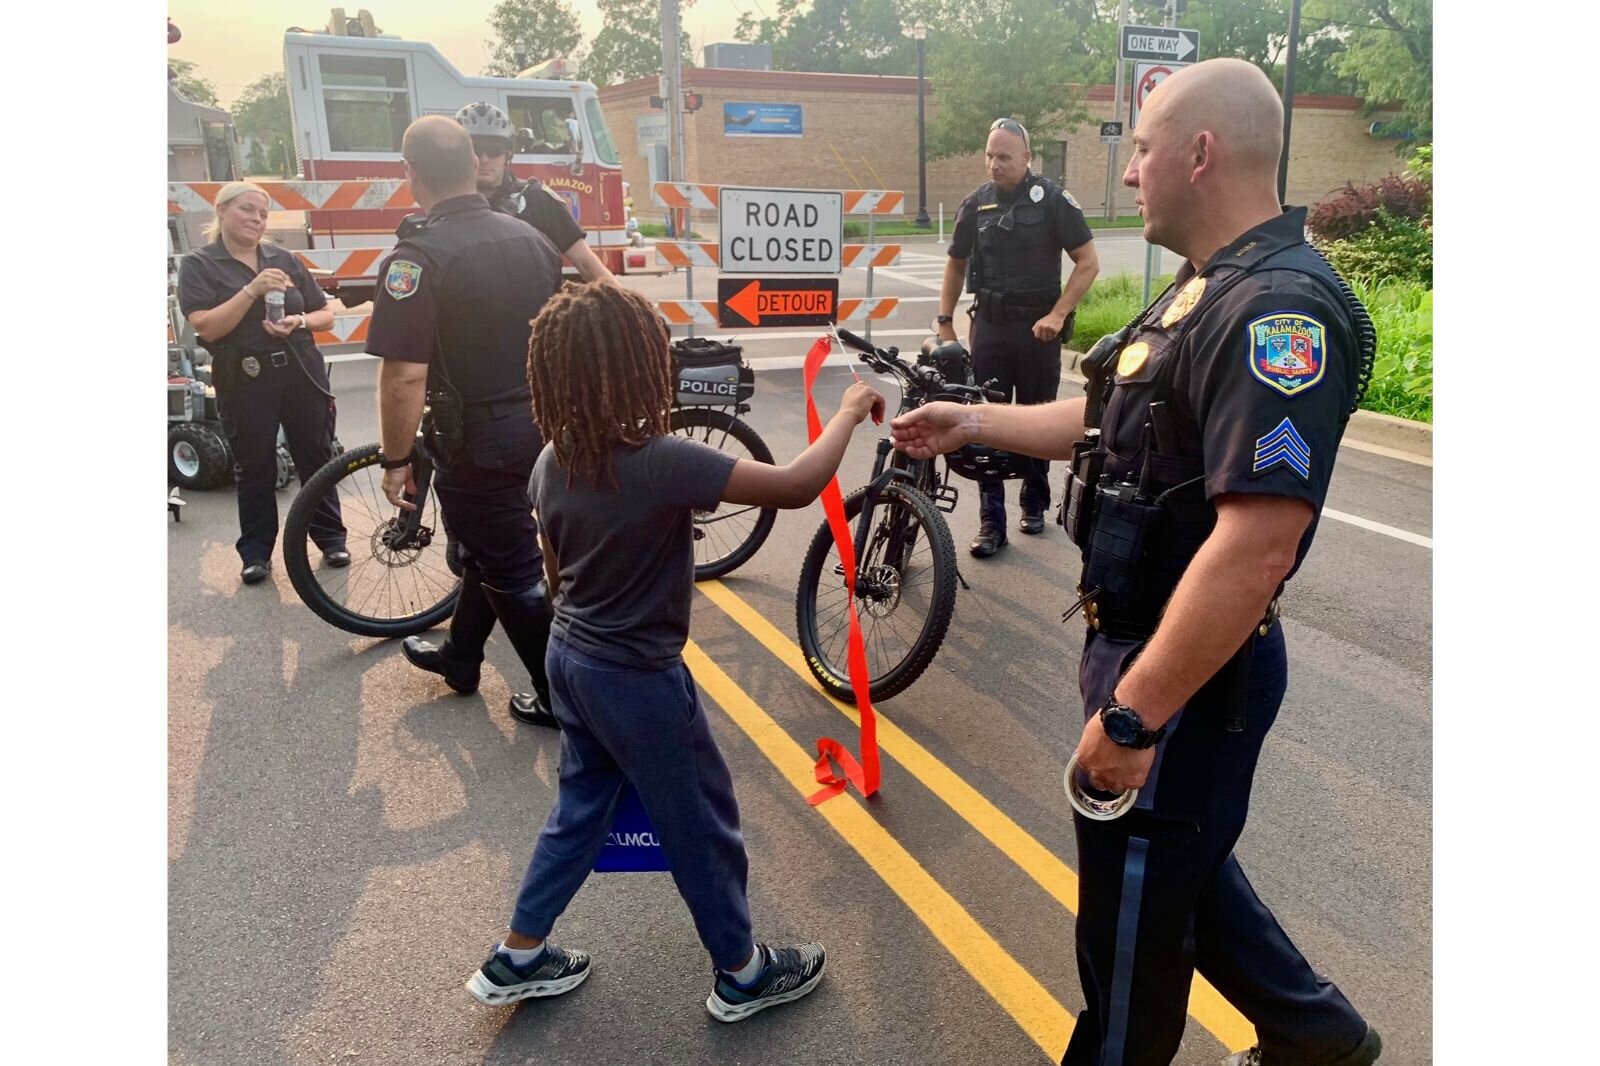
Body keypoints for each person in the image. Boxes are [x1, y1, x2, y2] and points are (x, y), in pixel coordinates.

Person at [892, 60, 1381, 1066]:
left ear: (1199, 153)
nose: (1127, 178)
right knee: (1175, 873)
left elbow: (1256, 543)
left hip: (1185, 672)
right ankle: (1317, 1033)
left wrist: (1132, 717)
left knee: (1126, 929)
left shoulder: (1275, 310)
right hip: (1140, 645)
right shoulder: (1205, 289)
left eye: (1142, 149)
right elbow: (1110, 417)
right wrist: (972, 417)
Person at [464, 282, 886, 1022]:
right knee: (700, 824)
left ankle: (518, 956)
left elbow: (557, 569)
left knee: (580, 810)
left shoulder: (551, 460)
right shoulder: (661, 460)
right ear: (637, 369)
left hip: (571, 659)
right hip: (638, 677)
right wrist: (849, 413)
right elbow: (794, 485)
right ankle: (743, 974)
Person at [369, 116, 564, 729]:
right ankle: (461, 657)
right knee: (490, 549)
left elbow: (404, 375)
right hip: (540, 423)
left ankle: (562, 698)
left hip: (478, 439)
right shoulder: (530, 238)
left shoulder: (417, 257)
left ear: (412, 174)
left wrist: (396, 461)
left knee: (510, 567)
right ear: (472, 162)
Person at [938, 117, 1099, 558]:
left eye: (1004, 157)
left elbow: (1087, 262)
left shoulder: (1052, 201)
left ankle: (1034, 500)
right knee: (984, 421)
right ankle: (992, 520)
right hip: (989, 326)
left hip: (1037, 330)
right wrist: (944, 320)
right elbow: (955, 263)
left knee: (1035, 416)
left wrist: (1058, 313)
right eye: (990, 155)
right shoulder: (976, 204)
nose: (995, 164)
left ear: (1027, 158)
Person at [178, 181, 347, 585]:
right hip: (246, 376)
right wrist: (252, 289)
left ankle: (331, 538)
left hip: (299, 368)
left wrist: (300, 321)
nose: (256, 219)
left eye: (263, 213)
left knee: (316, 454)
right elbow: (207, 326)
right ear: (221, 211)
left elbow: (325, 314)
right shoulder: (200, 264)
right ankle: (256, 552)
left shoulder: (283, 258)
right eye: (247, 210)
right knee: (255, 464)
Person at [453, 102, 617, 285]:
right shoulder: (449, 205)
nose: (484, 159)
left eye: (494, 151)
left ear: (508, 154)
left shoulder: (536, 198)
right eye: (475, 150)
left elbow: (587, 264)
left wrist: (629, 309)